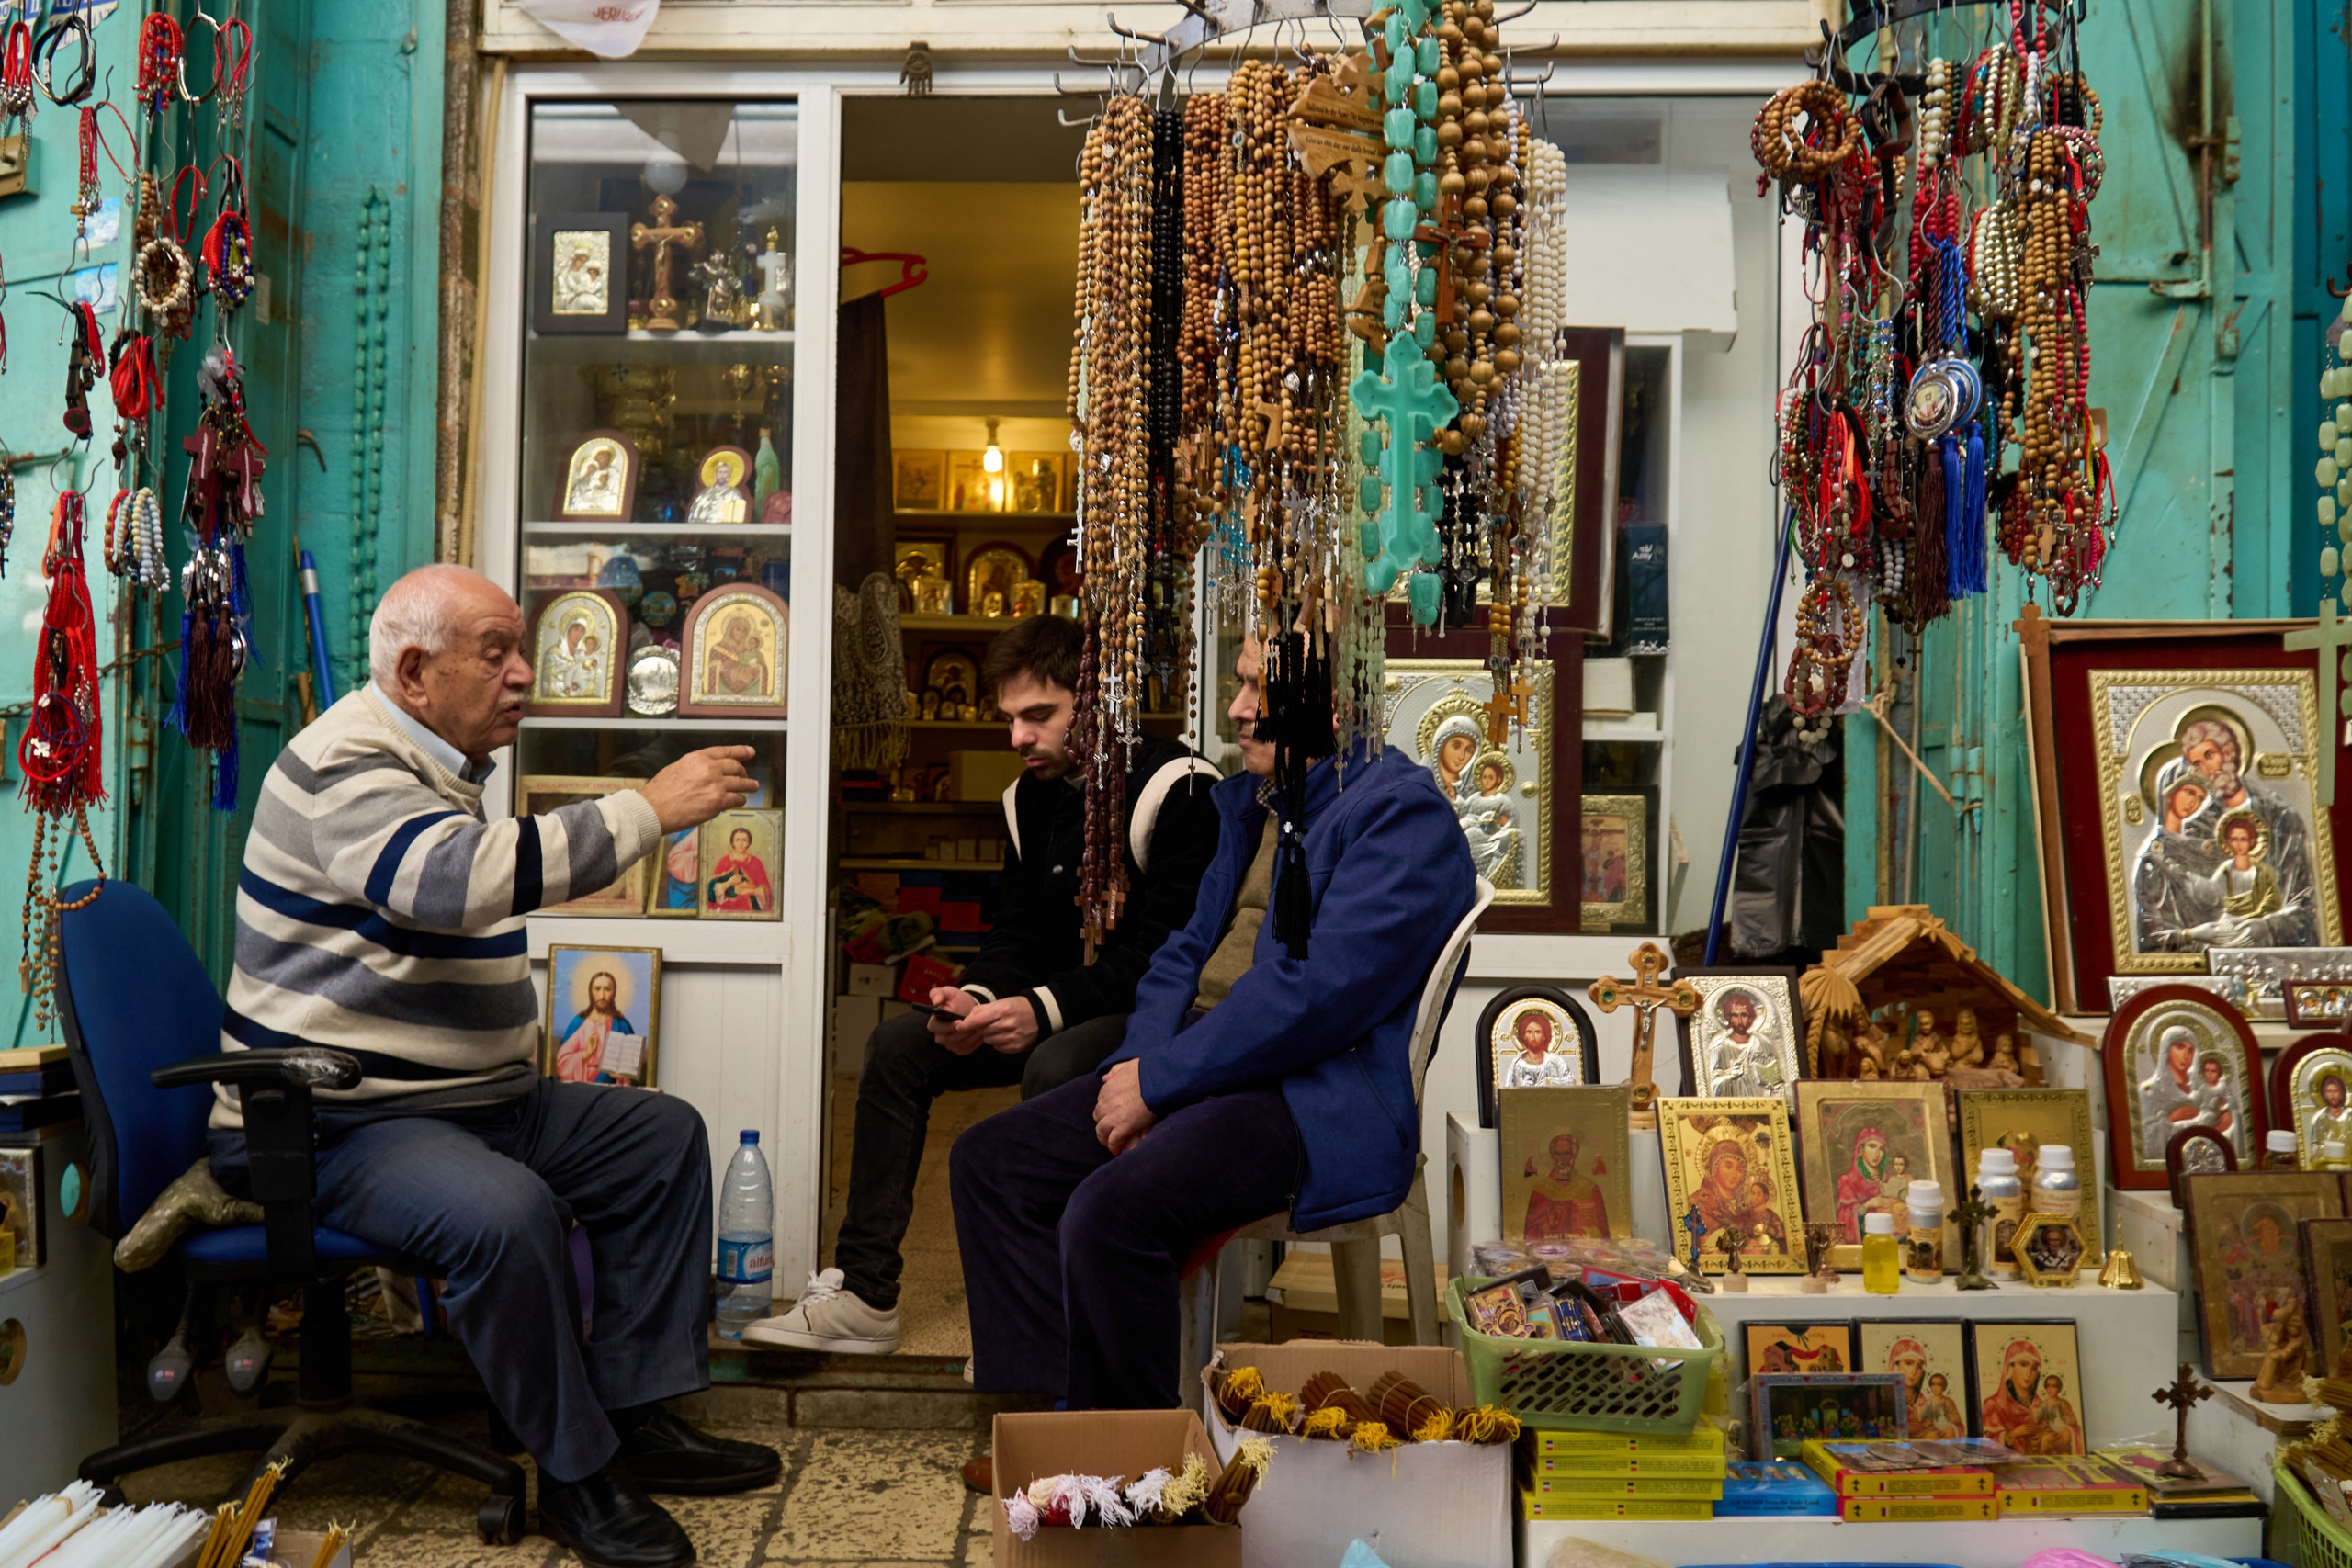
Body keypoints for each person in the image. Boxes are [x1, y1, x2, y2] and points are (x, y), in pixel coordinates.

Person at [208, 565, 771, 1568]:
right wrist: (645, 809)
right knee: (505, 1212)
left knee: (659, 1138)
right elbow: (451, 884)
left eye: (521, 651)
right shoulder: (345, 759)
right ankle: (576, 1476)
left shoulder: (442, 764)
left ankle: (631, 1417)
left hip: (468, 1103)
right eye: (495, 653)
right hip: (335, 1118)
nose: (523, 675)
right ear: (414, 673)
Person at [947, 630, 1477, 1413]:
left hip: (1306, 1093)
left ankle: (1129, 1457)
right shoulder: (1251, 804)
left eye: (1258, 688)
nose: (1235, 708)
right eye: (1239, 684)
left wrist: (1159, 1083)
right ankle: (1050, 1420)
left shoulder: (1401, 818)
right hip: (1201, 1061)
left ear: (1331, 704)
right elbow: (1178, 957)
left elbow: (1314, 997)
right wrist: (1134, 1071)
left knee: (1110, 1212)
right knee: (991, 1162)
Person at [746, 615, 1219, 1356]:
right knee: (899, 1047)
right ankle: (865, 1294)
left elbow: (1166, 957)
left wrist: (1039, 1010)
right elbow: (1018, 933)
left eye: (1040, 715)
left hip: (1155, 1020)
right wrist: (979, 996)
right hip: (1058, 1005)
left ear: (1097, 700)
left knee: (1055, 1064)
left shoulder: (1180, 787)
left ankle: (1054, 1319)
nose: (1019, 737)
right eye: (1009, 719)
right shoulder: (1028, 796)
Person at [1522, 1131, 1610, 1240]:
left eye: (1567, 1154)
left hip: (1582, 1249)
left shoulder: (1590, 1188)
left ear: (1575, 1154)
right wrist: (1546, 1227)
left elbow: (1603, 1233)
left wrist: (1582, 1233)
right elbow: (1529, 1234)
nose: (1562, 1160)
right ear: (1551, 1156)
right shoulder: (1541, 1190)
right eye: (1558, 1154)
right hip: (1549, 1249)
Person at [554, 970, 638, 1084]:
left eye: (607, 989)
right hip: (582, 1089)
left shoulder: (622, 1025)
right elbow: (562, 1063)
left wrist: (622, 1076)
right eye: (597, 989)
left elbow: (632, 1068)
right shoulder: (578, 1023)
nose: (602, 996)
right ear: (590, 992)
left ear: (614, 993)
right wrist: (586, 1053)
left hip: (612, 1089)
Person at [1702, 987, 1784, 1097]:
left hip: (1762, 1100)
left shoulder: (1761, 1043)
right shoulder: (1720, 1045)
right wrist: (1730, 1075)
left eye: (1744, 1015)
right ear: (1728, 1018)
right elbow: (1713, 1085)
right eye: (1735, 1015)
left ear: (1751, 1018)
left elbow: (1776, 1080)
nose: (1740, 1021)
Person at [1498, 1007, 1581, 1089]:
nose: (1533, 1036)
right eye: (1529, 1032)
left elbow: (1571, 1082)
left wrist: (1549, 1082)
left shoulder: (1556, 1061)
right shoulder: (1517, 1064)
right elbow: (1508, 1089)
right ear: (1524, 1036)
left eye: (1537, 1032)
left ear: (1544, 1036)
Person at [704, 825, 774, 913]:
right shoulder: (724, 861)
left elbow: (766, 891)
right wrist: (729, 883)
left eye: (744, 840)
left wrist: (753, 891)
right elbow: (711, 891)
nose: (740, 844)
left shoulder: (756, 863)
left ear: (748, 843)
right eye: (737, 840)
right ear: (733, 843)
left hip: (749, 908)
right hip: (726, 908)